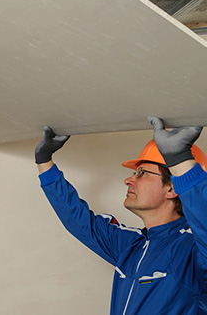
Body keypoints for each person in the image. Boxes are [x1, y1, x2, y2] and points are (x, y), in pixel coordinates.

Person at [34, 115, 207, 315]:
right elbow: (78, 221)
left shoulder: (192, 248)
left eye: (141, 173)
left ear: (171, 189)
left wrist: (180, 159)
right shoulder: (132, 245)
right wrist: (44, 161)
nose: (128, 180)